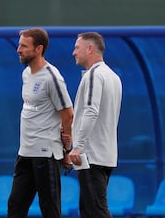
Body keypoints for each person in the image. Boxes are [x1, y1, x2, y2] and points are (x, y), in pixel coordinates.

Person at [7, 28, 74, 218]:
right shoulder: (26, 74)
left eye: (23, 46)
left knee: (50, 208)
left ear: (39, 49)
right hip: (25, 153)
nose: (18, 49)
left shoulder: (52, 77)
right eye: (19, 44)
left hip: (46, 154)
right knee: (15, 206)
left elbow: (68, 114)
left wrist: (67, 150)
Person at [69, 32, 122, 218]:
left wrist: (78, 146)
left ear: (90, 49)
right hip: (105, 154)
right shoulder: (113, 76)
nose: (74, 52)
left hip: (91, 155)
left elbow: (91, 110)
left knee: (96, 211)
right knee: (87, 210)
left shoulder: (94, 75)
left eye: (77, 48)